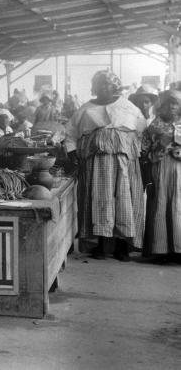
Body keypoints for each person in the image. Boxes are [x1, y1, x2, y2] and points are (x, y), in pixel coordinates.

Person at [65, 70, 146, 261]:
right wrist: (72, 151)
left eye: (107, 84)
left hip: (123, 163)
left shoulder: (128, 106)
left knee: (123, 200)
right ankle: (101, 245)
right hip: (96, 163)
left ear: (115, 86)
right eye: (99, 84)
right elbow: (70, 133)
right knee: (99, 200)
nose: (103, 87)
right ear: (94, 87)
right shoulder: (85, 109)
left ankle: (121, 247)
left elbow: (141, 130)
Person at [140, 90, 181, 263]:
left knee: (178, 204)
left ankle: (178, 250)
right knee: (160, 203)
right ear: (162, 106)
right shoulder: (154, 126)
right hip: (160, 168)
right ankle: (160, 250)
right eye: (168, 103)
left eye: (176, 103)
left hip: (179, 169)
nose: (172, 107)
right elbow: (143, 151)